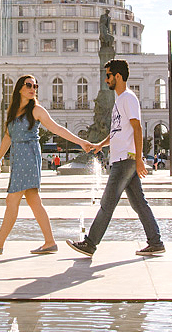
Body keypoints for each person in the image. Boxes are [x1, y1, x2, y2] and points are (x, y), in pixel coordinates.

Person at [0, 75, 97, 256]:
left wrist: (80, 142)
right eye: (29, 85)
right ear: (19, 88)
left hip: (29, 156)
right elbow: (8, 136)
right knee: (34, 200)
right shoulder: (13, 111)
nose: (33, 88)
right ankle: (49, 242)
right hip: (19, 157)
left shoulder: (36, 110)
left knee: (12, 200)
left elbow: (57, 129)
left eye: (35, 86)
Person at [68, 59, 165, 258]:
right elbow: (116, 133)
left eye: (109, 75)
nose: (106, 80)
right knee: (139, 204)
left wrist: (139, 159)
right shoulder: (120, 100)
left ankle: (90, 243)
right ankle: (155, 242)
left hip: (125, 160)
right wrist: (99, 145)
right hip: (122, 158)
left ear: (118, 76)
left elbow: (137, 128)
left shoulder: (128, 98)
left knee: (107, 203)